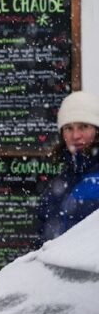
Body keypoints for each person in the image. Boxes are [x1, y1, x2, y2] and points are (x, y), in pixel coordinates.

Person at [39, 91, 99, 241]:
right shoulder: (57, 183)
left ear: (97, 130)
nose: (75, 136)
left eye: (83, 126)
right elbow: (43, 239)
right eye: (69, 128)